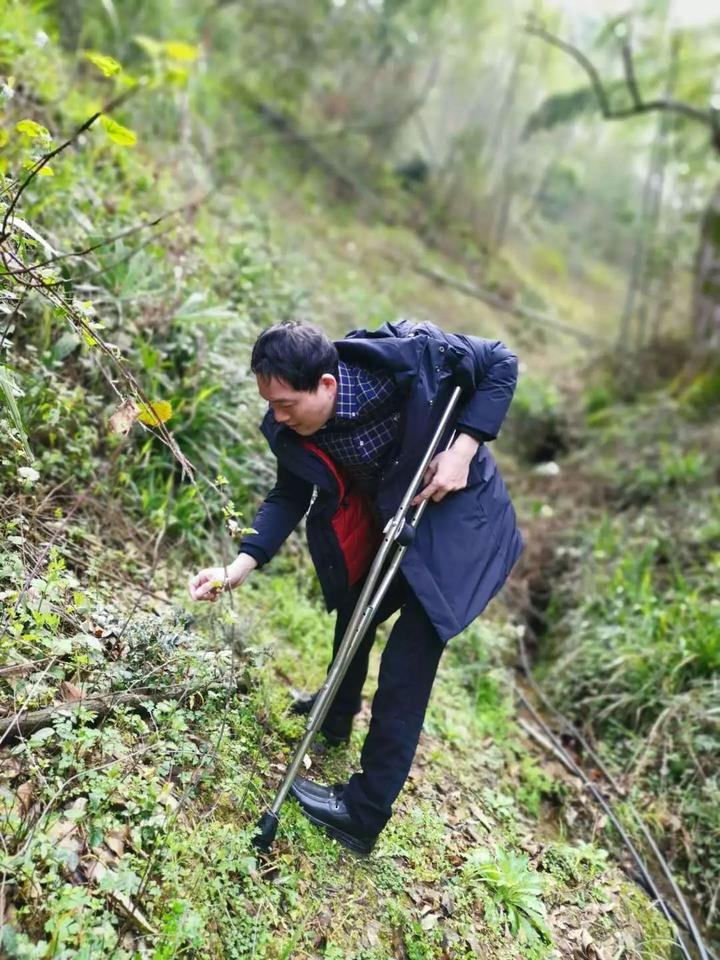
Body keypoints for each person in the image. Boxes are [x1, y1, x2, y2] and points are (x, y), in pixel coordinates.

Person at [188, 318, 523, 855]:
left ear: (326, 384)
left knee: (405, 669)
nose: (276, 415)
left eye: (286, 403)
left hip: (457, 527)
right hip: (394, 520)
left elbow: (501, 362)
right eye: (269, 403)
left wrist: (461, 451)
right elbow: (288, 496)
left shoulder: (413, 358)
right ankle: (336, 715)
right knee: (354, 611)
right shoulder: (292, 426)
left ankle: (362, 814)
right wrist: (240, 566)